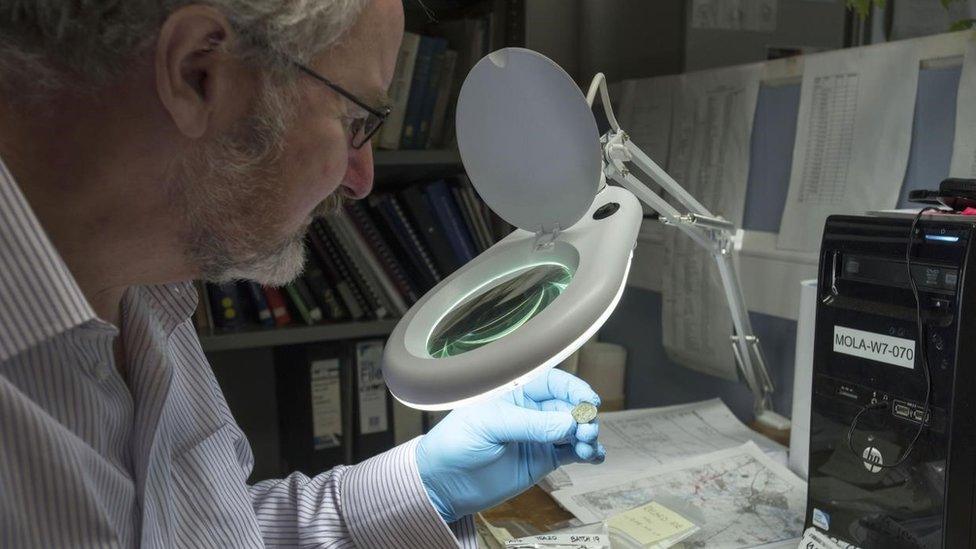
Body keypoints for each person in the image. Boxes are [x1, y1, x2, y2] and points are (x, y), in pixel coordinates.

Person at [0, 0, 606, 547]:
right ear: (198, 72)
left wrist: (426, 482)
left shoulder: (149, 293)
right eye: (355, 121)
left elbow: (195, 532)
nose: (362, 178)